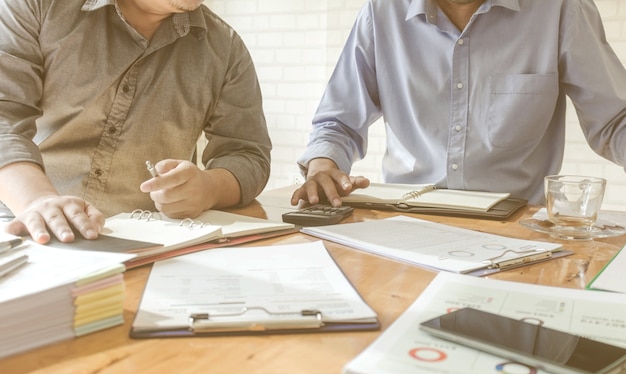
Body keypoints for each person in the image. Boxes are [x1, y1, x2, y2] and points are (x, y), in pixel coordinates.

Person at [291, 0, 626, 208]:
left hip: (518, 227)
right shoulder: (381, 12)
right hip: (405, 220)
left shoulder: (561, 8)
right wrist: (323, 166)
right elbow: (338, 124)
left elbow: (614, 120)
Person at [0, 0, 271, 244]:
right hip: (23, 227)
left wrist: (209, 188)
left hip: (149, 241)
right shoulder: (35, 6)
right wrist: (38, 200)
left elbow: (247, 153)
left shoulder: (226, 48)